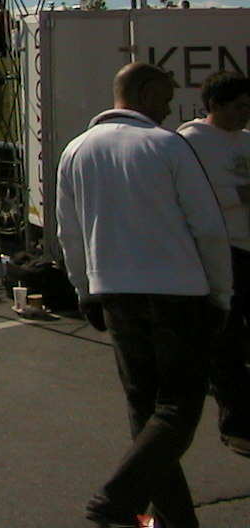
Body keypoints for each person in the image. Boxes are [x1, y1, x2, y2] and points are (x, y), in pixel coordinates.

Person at [55, 62, 232, 528]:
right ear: (147, 92)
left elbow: (69, 234)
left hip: (115, 295)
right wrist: (221, 294)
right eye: (167, 94)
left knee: (145, 411)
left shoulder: (75, 151)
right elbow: (208, 229)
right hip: (177, 294)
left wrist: (84, 291)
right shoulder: (167, 145)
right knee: (177, 410)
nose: (172, 105)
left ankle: (174, 519)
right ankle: (116, 498)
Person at [177, 72, 250, 455]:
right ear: (215, 105)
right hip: (222, 252)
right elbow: (191, 196)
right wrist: (240, 193)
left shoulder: (247, 140)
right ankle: (237, 425)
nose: (245, 114)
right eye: (239, 107)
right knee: (228, 343)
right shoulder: (190, 142)